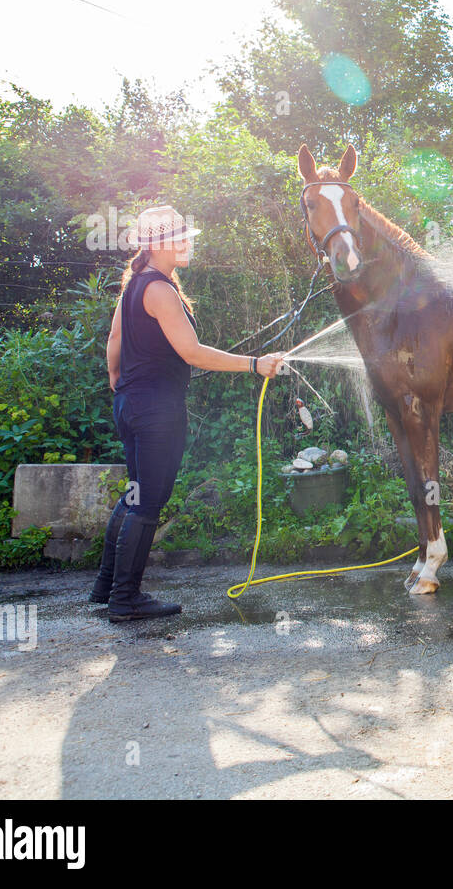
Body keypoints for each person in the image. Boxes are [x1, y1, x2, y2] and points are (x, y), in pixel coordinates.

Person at [89, 206, 285, 622]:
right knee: (148, 501)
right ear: (159, 244)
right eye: (180, 237)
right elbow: (192, 353)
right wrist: (255, 364)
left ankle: (106, 586)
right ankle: (125, 599)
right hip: (156, 408)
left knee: (136, 492)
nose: (188, 243)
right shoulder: (159, 290)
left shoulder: (134, 286)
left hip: (131, 403)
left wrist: (119, 383)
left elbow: (113, 341)